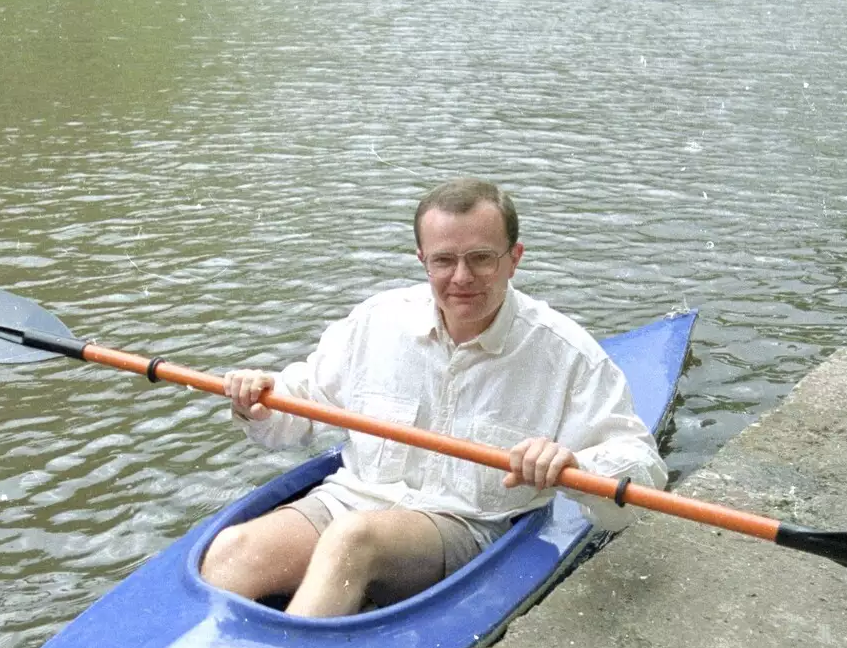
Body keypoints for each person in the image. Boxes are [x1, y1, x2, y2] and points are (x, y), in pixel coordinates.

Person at [199, 178, 666, 617]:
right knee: (229, 551)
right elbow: (293, 409)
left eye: (482, 258)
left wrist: (577, 469)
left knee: (353, 541)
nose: (461, 277)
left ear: (514, 258)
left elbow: (640, 466)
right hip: (351, 500)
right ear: (422, 258)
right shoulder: (376, 321)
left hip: (461, 525)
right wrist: (257, 401)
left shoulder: (568, 355)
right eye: (444, 261)